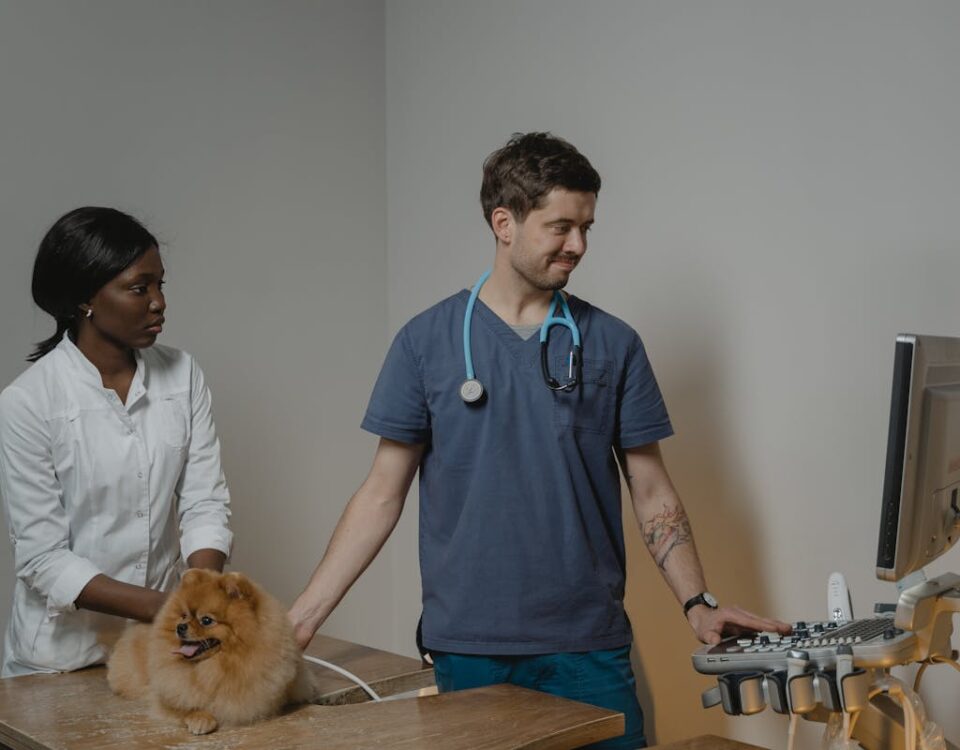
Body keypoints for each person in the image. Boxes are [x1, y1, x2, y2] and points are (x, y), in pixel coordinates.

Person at [289, 133, 789, 748]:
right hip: (470, 648)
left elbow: (652, 488)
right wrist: (302, 619)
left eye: (586, 227)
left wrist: (698, 603)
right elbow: (380, 496)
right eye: (560, 227)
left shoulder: (613, 343)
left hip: (589, 644)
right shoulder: (425, 343)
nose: (577, 245)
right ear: (504, 222)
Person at [0, 207, 232, 677]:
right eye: (138, 287)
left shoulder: (183, 375)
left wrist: (200, 592)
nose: (158, 302)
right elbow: (44, 558)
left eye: (160, 284)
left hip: (160, 651)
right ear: (85, 298)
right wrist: (171, 610)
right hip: (59, 661)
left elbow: (204, 502)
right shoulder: (27, 401)